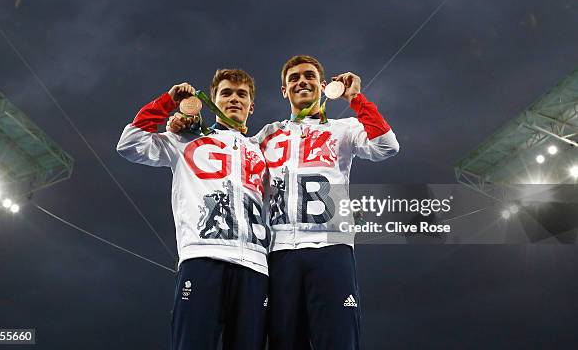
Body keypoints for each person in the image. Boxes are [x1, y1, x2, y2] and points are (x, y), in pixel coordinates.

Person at [117, 69, 270, 350]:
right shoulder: (185, 139)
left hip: (256, 267)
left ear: (251, 105)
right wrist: (168, 102)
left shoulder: (261, 150)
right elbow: (129, 145)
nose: (234, 99)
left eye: (241, 94)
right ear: (212, 100)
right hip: (203, 257)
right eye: (226, 93)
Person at [255, 55, 400, 350]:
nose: (301, 81)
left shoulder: (343, 128)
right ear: (284, 90)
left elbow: (387, 146)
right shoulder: (267, 135)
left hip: (331, 248)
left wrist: (356, 98)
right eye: (293, 78)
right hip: (281, 252)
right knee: (284, 342)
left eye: (308, 76)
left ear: (323, 86)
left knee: (337, 341)